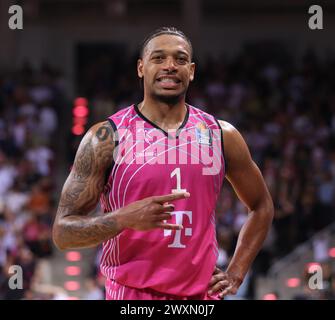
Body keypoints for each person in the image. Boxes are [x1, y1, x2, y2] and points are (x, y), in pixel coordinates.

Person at [52, 27, 274, 300]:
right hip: (131, 296)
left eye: (180, 59)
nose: (170, 66)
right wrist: (123, 218)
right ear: (141, 68)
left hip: (200, 299)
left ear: (191, 71)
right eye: (159, 58)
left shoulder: (221, 135)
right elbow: (63, 233)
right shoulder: (106, 137)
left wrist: (236, 271)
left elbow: (262, 206)